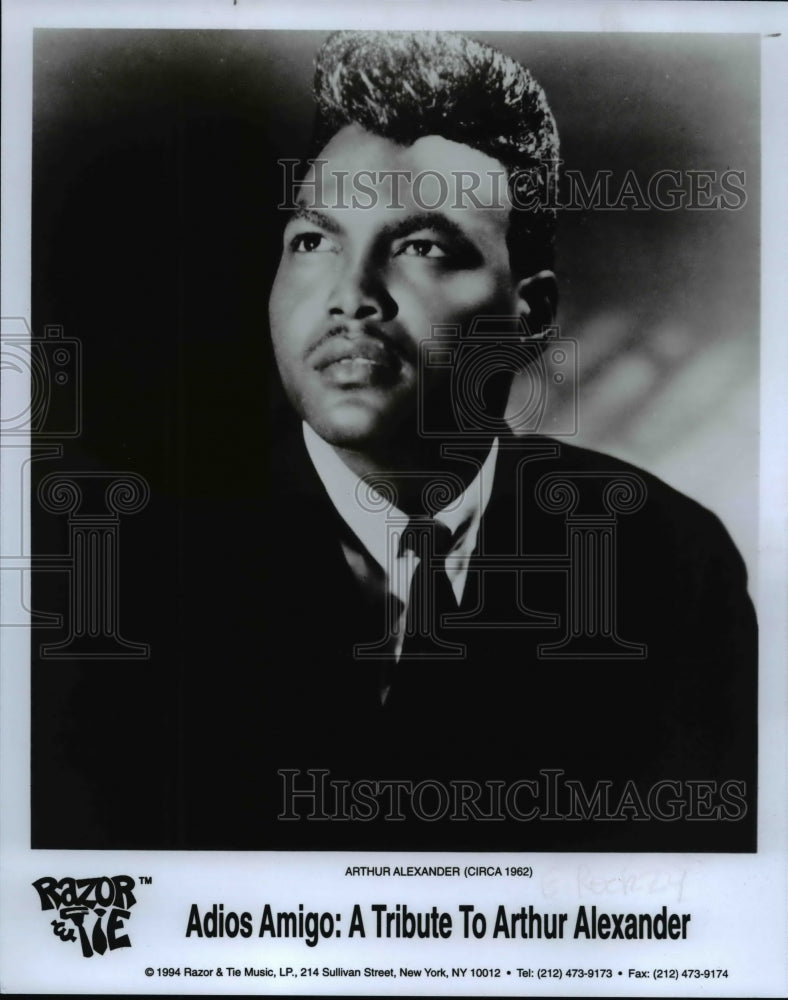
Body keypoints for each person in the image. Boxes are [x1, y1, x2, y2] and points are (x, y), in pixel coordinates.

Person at [186, 30, 755, 854]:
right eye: (314, 241)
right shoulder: (146, 561)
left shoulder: (669, 564)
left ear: (534, 311)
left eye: (421, 247)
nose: (351, 298)